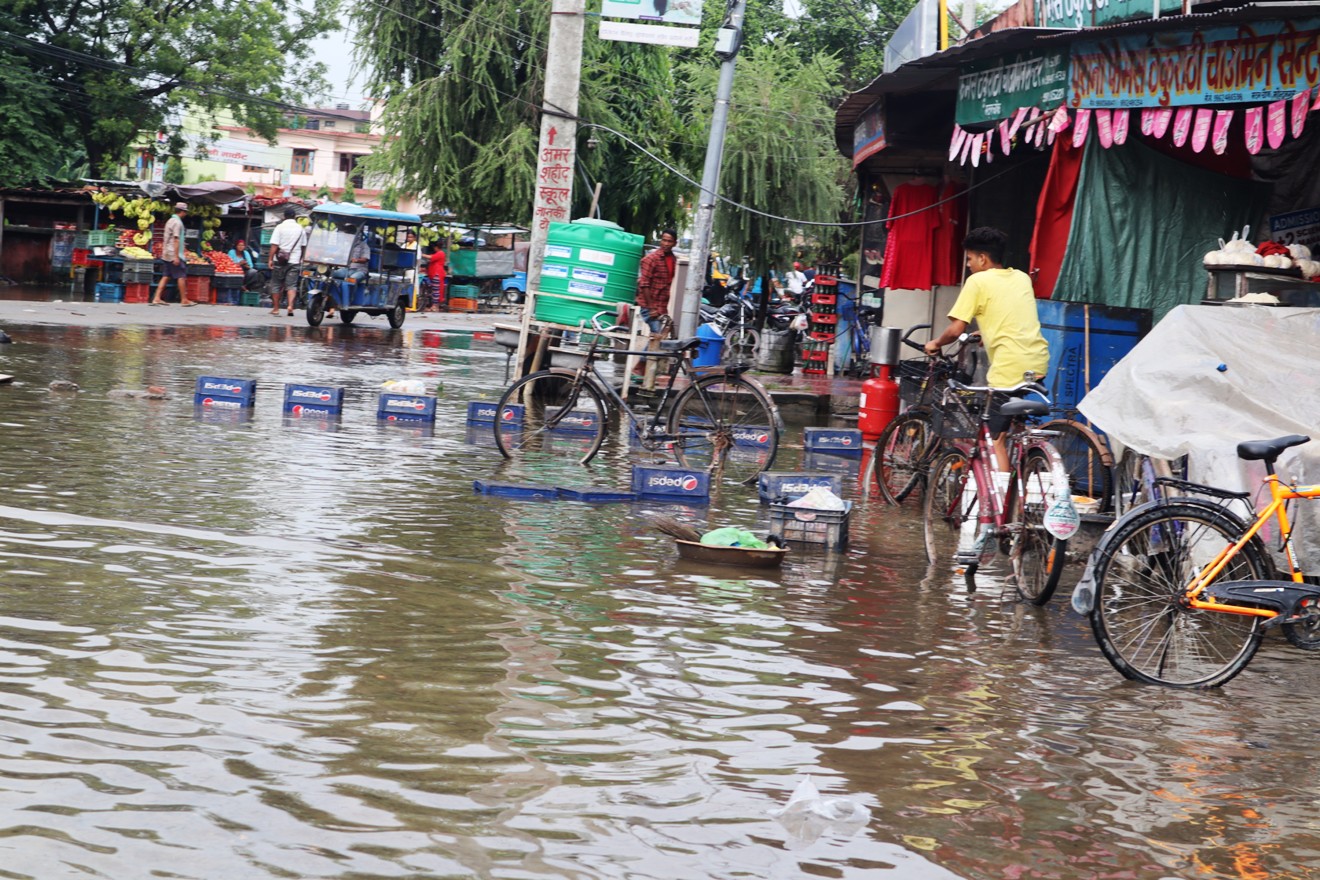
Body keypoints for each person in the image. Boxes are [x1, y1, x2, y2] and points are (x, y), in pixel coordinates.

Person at [924, 226, 1050, 472]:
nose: (968, 265)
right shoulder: (1022, 277)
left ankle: (1002, 501)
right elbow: (1011, 313)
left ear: (982, 258)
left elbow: (956, 328)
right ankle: (1021, 472)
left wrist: (936, 343)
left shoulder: (978, 281)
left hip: (1008, 369)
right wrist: (987, 330)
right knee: (1008, 424)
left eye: (970, 259)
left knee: (995, 440)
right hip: (1037, 362)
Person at [636, 228, 677, 335]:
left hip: (661, 306)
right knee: (658, 337)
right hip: (649, 306)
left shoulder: (673, 260)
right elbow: (644, 283)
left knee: (659, 339)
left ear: (675, 243)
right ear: (660, 241)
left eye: (669, 241)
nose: (666, 244)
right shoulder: (651, 259)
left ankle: (642, 352)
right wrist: (651, 308)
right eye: (664, 240)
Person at [267, 206, 306, 316]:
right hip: (294, 261)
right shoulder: (300, 229)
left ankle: (276, 309)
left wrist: (270, 259)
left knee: (276, 284)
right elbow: (303, 246)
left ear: (284, 216)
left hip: (279, 260)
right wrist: (300, 259)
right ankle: (290, 306)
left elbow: (274, 245)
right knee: (292, 285)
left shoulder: (279, 227)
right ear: (295, 217)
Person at [150, 202, 191, 306]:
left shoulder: (170, 220)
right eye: (185, 212)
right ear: (182, 212)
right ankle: (184, 300)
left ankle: (157, 298)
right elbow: (176, 239)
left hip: (166, 252)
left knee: (166, 275)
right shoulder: (177, 223)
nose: (185, 214)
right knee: (181, 276)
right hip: (173, 253)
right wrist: (176, 256)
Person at [425, 244, 447, 310]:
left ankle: (435, 306)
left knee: (436, 290)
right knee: (435, 290)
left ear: (437, 247)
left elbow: (431, 257)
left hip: (437, 273)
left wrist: (422, 255)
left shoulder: (440, 253)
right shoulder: (439, 253)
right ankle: (434, 305)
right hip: (435, 273)